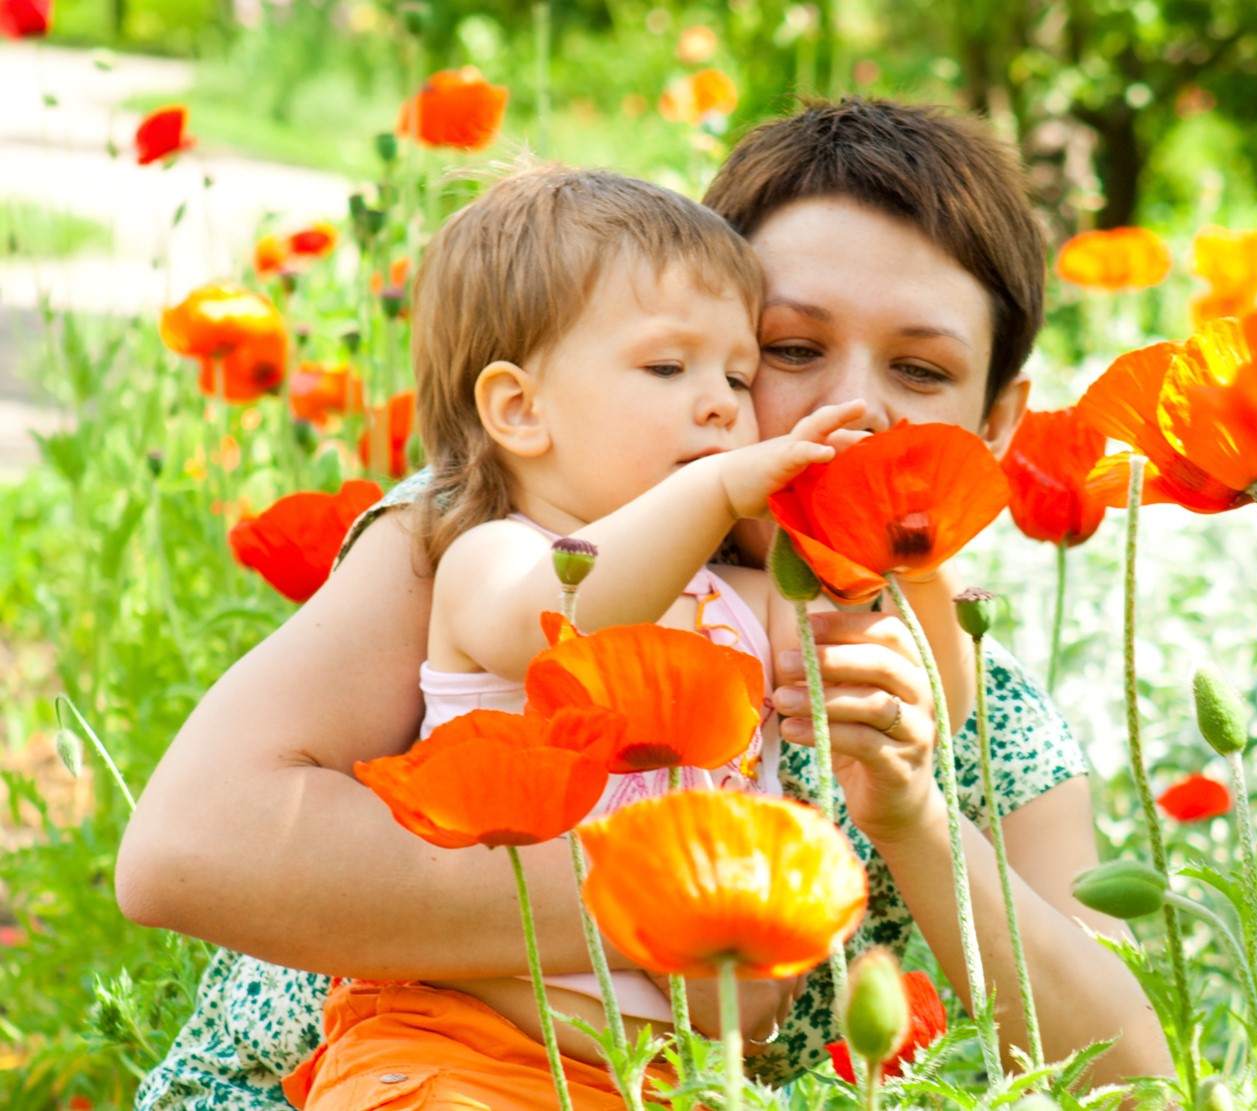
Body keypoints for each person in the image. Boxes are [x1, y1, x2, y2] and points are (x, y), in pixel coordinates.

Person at [118, 99, 1173, 1110]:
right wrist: (687, 904)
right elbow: (184, 850)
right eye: (789, 351)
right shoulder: (502, 537)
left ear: (995, 425)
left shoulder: (986, 722)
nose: (853, 412)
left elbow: (1135, 1089)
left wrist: (913, 820)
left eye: (921, 368)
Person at [283, 163, 903, 1110]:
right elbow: (559, 629)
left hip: (663, 1082)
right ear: (519, 410)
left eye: (738, 376)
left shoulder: (747, 600)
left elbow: (887, 646)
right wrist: (717, 489)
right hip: (459, 1054)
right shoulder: (488, 560)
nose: (721, 405)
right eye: (669, 368)